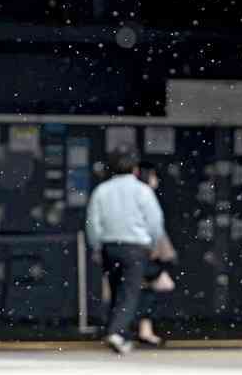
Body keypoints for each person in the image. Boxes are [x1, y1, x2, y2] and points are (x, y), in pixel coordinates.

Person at [86, 145, 164, 355]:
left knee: (115, 289)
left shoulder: (101, 190)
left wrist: (97, 245)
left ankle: (114, 330)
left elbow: (92, 223)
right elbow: (155, 222)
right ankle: (117, 333)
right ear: (135, 169)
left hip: (109, 246)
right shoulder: (143, 190)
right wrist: (151, 243)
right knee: (129, 293)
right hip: (136, 247)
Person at [135, 161, 177, 347]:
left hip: (137, 252)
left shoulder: (138, 197)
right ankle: (143, 330)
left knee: (141, 290)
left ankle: (141, 330)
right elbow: (155, 228)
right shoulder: (145, 197)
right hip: (146, 252)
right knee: (148, 290)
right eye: (153, 176)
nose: (156, 180)